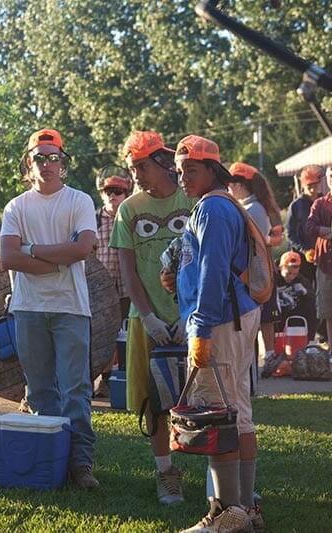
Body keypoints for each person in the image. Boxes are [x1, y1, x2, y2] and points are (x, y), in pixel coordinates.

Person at [167, 135, 262, 532]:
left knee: (216, 415)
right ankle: (245, 509)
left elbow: (213, 272)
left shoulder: (213, 209)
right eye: (179, 170)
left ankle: (225, 515)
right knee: (238, 411)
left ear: (212, 170)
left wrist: (200, 329)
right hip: (235, 317)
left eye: (191, 169)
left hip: (220, 321)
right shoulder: (220, 206)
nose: (183, 177)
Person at [0, 128, 99, 489]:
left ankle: (80, 464)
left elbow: (82, 249)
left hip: (71, 308)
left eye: (53, 157)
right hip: (28, 309)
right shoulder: (16, 206)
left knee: (75, 389)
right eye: (39, 157)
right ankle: (50, 460)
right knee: (40, 391)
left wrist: (32, 249)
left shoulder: (79, 201)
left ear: (63, 162)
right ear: (29, 163)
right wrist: (56, 255)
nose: (47, 164)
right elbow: (7, 257)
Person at [109, 130, 193, 504]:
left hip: (196, 317)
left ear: (161, 162)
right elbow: (129, 272)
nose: (136, 175)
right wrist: (149, 316)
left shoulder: (192, 200)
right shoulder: (129, 209)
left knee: (203, 398)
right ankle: (166, 473)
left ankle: (216, 473)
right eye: (132, 168)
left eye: (141, 166)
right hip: (147, 320)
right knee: (156, 401)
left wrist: (192, 313)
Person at [227, 162, 281, 384]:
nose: (228, 189)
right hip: (254, 274)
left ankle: (254, 375)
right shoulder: (250, 207)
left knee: (255, 322)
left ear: (240, 185)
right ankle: (253, 374)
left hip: (256, 275)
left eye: (230, 184)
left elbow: (253, 244)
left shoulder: (253, 210)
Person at [93, 166, 132, 398]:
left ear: (126, 193)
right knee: (103, 337)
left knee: (128, 336)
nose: (112, 195)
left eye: (118, 191)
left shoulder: (132, 217)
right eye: (108, 191)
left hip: (129, 287)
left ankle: (126, 380)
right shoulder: (94, 220)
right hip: (102, 289)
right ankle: (104, 380)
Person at [305, 162, 332, 358]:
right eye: (330, 175)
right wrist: (329, 231)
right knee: (330, 313)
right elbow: (309, 227)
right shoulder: (320, 203)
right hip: (325, 264)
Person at [287, 165, 322, 283]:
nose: (313, 189)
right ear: (303, 185)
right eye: (309, 186)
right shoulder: (296, 205)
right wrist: (305, 250)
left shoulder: (325, 202)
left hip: (324, 255)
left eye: (315, 185)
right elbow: (290, 234)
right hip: (302, 258)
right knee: (305, 292)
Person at [275, 251, 316, 340]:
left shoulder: (300, 279)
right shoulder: (273, 278)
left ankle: (309, 340)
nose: (291, 277)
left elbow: (313, 297)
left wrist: (305, 292)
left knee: (311, 307)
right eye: (288, 273)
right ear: (280, 267)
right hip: (278, 312)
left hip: (295, 311)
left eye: (295, 274)